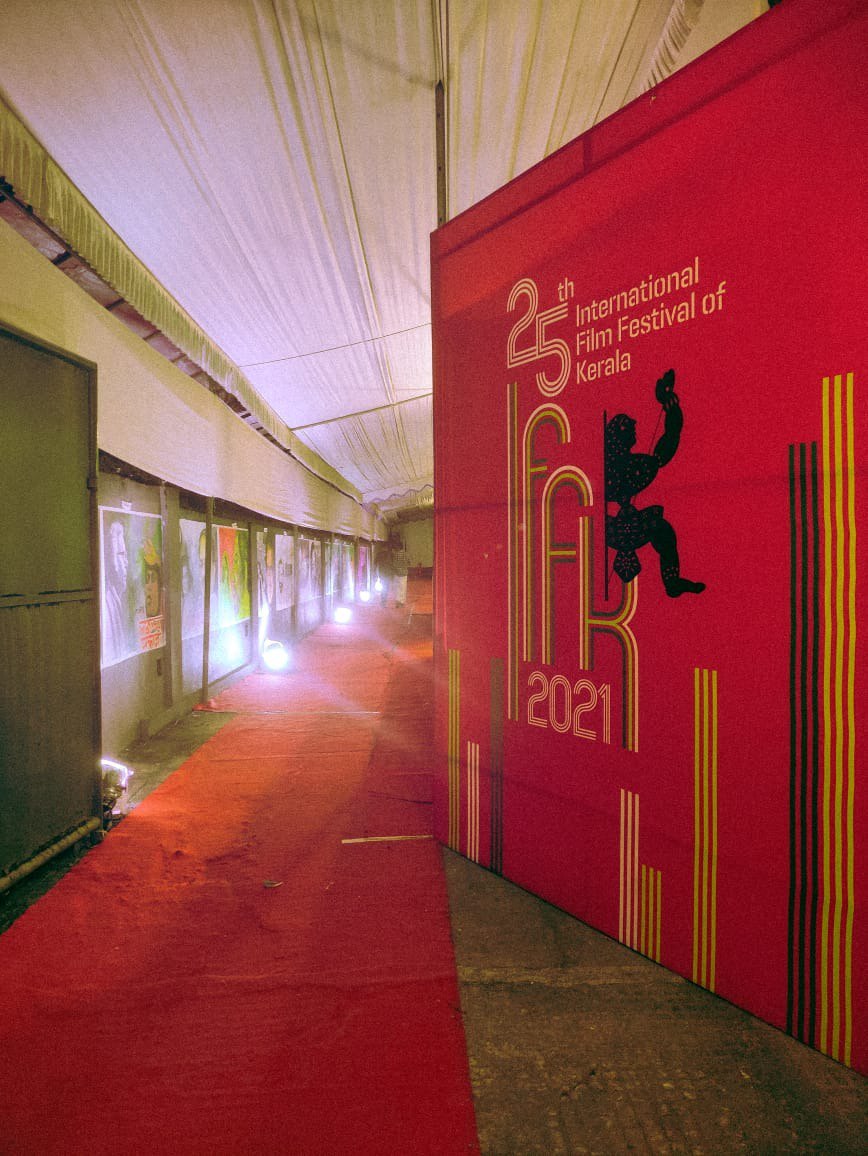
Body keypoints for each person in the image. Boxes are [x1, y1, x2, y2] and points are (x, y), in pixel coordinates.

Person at [605, 369, 705, 598]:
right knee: (662, 530)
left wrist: (671, 407)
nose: (635, 433)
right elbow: (668, 442)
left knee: (663, 530)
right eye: (630, 431)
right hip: (611, 528)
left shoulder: (634, 464)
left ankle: (672, 582)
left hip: (617, 527)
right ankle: (671, 581)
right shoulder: (631, 466)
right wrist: (671, 407)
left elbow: (669, 441)